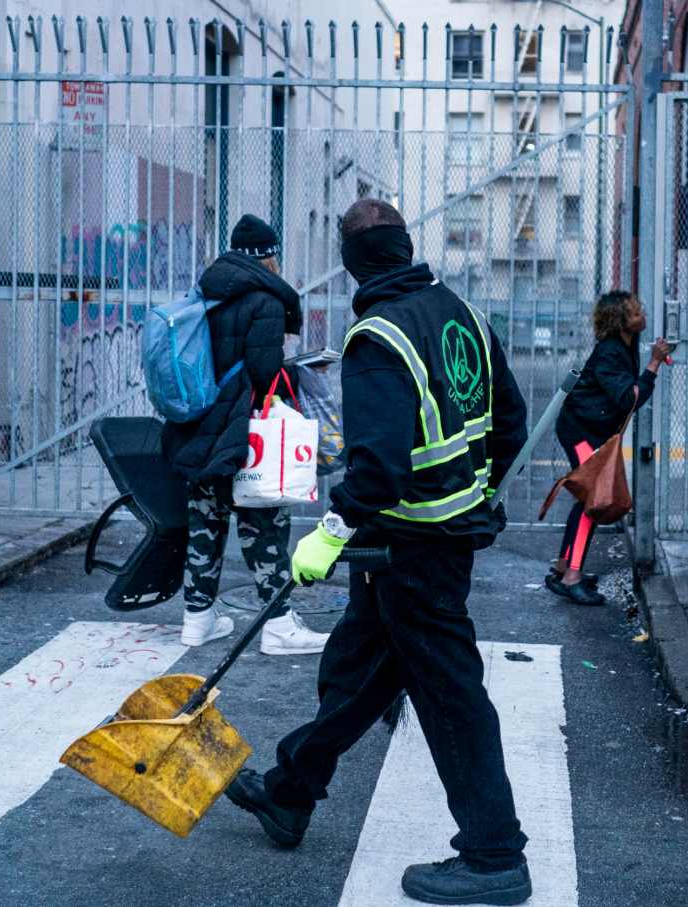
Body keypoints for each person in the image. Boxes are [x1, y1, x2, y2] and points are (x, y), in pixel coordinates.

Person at [224, 199, 533, 905]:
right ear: (405, 247)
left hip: (412, 546)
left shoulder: (378, 338)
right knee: (358, 669)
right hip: (431, 539)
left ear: (357, 261)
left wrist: (330, 532)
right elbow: (508, 422)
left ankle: (494, 855)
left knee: (451, 697)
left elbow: (380, 465)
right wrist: (476, 488)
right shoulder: (463, 315)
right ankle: (290, 790)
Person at [160, 215, 331, 655]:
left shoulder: (205, 292)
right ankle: (277, 627)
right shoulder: (265, 301)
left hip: (199, 428)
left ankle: (196, 620)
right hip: (243, 431)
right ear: (269, 256)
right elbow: (263, 372)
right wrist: (300, 370)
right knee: (264, 527)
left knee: (206, 522)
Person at [546, 290, 673, 606]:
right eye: (635, 311)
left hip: (592, 430)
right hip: (579, 431)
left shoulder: (624, 347)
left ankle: (565, 567)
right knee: (595, 501)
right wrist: (655, 364)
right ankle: (572, 577)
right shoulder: (610, 352)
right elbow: (630, 399)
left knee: (590, 499)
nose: (642, 313)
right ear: (621, 321)